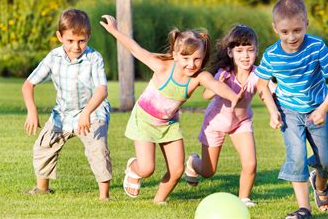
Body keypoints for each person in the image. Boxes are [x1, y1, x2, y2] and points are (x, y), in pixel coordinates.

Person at [100, 15, 242, 204]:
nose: (191, 64)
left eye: (196, 59)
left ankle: (158, 202)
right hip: (144, 120)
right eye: (185, 58)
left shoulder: (199, 77)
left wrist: (233, 97)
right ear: (175, 55)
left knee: (176, 170)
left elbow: (215, 85)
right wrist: (114, 31)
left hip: (169, 124)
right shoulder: (162, 67)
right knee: (147, 168)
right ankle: (134, 169)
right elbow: (136, 49)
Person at [255, 0, 328, 219]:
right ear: (275, 28)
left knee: (326, 162)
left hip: (317, 110)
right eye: (285, 32)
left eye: (297, 30)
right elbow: (261, 84)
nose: (292, 37)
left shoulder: (317, 46)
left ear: (307, 24)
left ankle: (320, 184)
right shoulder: (271, 55)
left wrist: (324, 108)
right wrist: (273, 111)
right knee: (296, 156)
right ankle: (304, 209)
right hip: (289, 112)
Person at [184, 24, 280, 207]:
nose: (245, 56)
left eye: (250, 50)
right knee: (208, 171)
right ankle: (193, 162)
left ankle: (244, 198)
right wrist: (216, 86)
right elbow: (205, 95)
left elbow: (269, 90)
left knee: (250, 163)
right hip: (215, 123)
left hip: (240, 123)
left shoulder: (258, 74)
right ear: (230, 52)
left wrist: (276, 106)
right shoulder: (224, 74)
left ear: (256, 51)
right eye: (240, 50)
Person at [22, 9, 112, 200]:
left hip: (92, 112)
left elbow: (102, 90)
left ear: (88, 37)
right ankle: (42, 189)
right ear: (60, 36)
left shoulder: (94, 58)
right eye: (70, 41)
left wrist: (87, 112)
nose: (76, 46)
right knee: (44, 145)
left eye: (82, 41)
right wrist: (32, 110)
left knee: (98, 148)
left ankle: (104, 196)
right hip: (62, 113)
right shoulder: (53, 57)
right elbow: (28, 84)